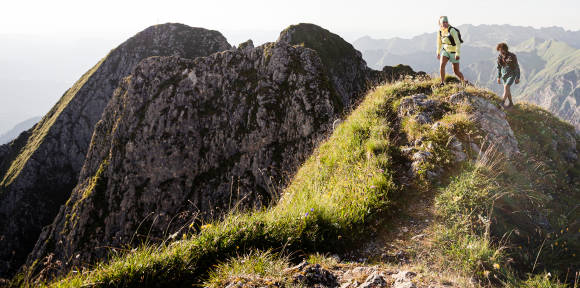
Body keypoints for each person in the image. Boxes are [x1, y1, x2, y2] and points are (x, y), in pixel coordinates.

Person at [437, 16, 466, 86]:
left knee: (456, 71)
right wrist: (438, 52)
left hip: (454, 52)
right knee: (442, 65)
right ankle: (442, 82)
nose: (445, 23)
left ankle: (463, 82)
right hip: (445, 51)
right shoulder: (440, 32)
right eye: (443, 22)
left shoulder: (452, 30)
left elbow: (458, 43)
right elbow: (439, 43)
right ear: (440, 23)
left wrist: (457, 54)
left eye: (446, 22)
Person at [496, 42, 520, 108]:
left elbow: (517, 67)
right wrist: (498, 77)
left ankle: (502, 103)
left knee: (506, 87)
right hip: (504, 76)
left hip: (511, 75)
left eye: (501, 50)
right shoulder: (500, 57)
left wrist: (517, 77)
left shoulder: (512, 56)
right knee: (507, 90)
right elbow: (499, 67)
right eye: (499, 50)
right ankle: (511, 103)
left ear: (505, 49)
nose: (500, 51)